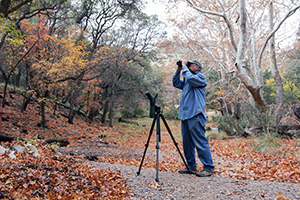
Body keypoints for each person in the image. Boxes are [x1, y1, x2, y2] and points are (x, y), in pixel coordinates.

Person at [172, 60, 214, 177]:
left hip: (195, 115)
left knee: (200, 141)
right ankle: (191, 166)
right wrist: (178, 70)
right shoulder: (187, 81)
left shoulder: (200, 78)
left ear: (197, 67)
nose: (187, 67)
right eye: (187, 65)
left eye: (189, 65)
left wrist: (184, 68)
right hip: (185, 115)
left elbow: (190, 78)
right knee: (187, 143)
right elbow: (175, 83)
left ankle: (208, 168)